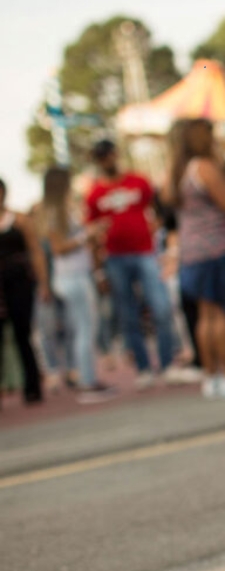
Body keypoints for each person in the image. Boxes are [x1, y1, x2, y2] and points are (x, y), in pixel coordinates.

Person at [162, 119, 225, 400]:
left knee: (205, 316)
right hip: (216, 247)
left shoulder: (177, 172)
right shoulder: (204, 167)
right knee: (223, 312)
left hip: (192, 250)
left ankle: (212, 376)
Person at [85, 139, 188, 388]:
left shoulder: (138, 181)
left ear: (115, 154)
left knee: (161, 307)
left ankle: (167, 365)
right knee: (128, 315)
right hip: (115, 257)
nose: (105, 161)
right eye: (100, 158)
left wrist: (155, 232)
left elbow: (158, 212)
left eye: (107, 155)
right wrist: (98, 267)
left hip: (144, 252)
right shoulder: (95, 194)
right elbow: (90, 230)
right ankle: (144, 369)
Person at [40, 168, 116, 404]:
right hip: (71, 277)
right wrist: (87, 235)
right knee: (85, 329)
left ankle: (85, 377)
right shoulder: (55, 212)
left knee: (81, 329)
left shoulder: (60, 210)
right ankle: (87, 381)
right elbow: (58, 248)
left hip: (74, 275)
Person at [0, 176, 49, 407]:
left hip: (19, 283)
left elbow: (36, 251)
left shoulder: (19, 220)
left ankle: (32, 387)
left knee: (23, 333)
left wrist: (43, 282)